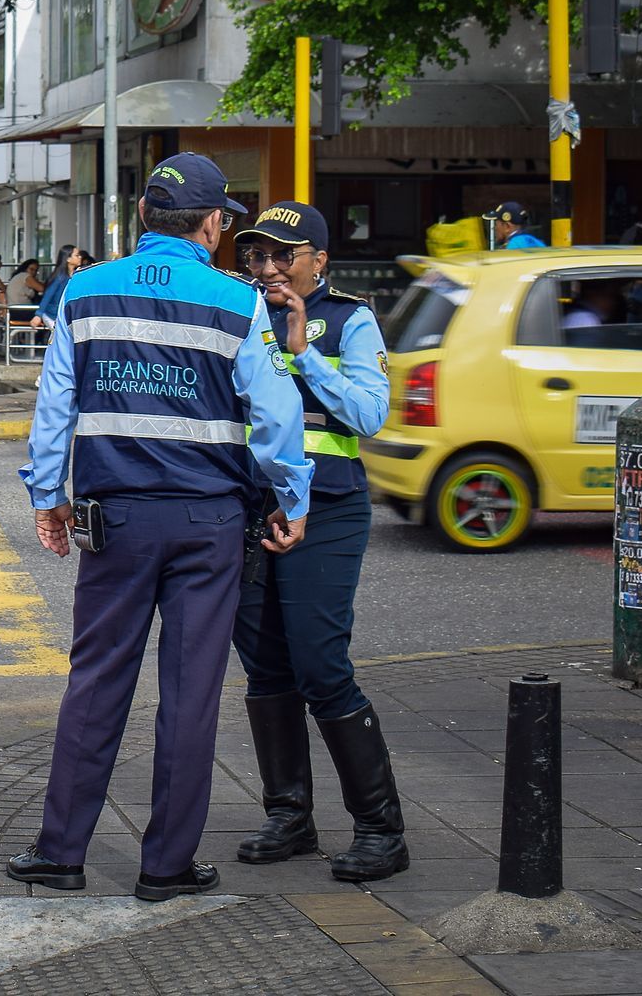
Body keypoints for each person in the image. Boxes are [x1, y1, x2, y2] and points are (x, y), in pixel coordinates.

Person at [7, 153, 314, 904]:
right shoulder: (238, 304)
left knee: (96, 681)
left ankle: (61, 853)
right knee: (190, 693)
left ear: (144, 216)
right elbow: (277, 418)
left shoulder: (83, 291)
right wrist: (293, 497)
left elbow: (55, 413)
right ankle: (165, 866)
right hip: (208, 525)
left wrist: (47, 495)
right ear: (212, 226)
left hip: (114, 523)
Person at [231, 201, 406, 883]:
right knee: (266, 670)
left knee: (321, 666)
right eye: (256, 255)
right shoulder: (240, 316)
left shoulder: (350, 319)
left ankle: (380, 829)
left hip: (328, 510)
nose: (268, 268)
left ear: (320, 262)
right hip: (251, 511)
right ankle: (289, 815)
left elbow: (368, 414)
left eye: (284, 255)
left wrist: (307, 355)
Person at [29, 246, 80, 329]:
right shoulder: (60, 277)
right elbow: (48, 296)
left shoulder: (76, 276)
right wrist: (38, 315)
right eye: (77, 255)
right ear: (68, 259)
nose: (80, 257)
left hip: (66, 316)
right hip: (53, 315)